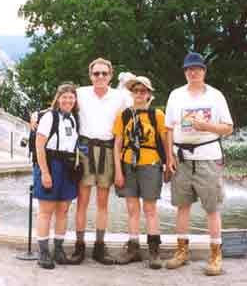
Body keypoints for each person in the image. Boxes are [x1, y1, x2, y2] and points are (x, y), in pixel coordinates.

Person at [163, 51, 233, 276]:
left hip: (207, 157)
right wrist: (169, 157)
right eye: (189, 69)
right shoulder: (176, 95)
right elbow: (168, 129)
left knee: (212, 208)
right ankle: (181, 251)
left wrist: (207, 127)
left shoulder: (215, 96)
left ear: (204, 71)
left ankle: (215, 255)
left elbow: (228, 127)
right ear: (185, 72)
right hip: (181, 158)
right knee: (182, 206)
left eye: (197, 69)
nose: (193, 72)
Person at [71, 57, 127, 264]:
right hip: (85, 149)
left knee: (103, 202)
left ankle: (99, 247)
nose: (100, 77)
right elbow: (61, 105)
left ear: (111, 76)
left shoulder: (120, 97)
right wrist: (36, 116)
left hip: (108, 149)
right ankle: (79, 246)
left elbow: (139, 108)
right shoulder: (80, 93)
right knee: (82, 202)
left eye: (104, 73)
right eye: (97, 73)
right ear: (90, 75)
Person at [112, 76, 168, 269]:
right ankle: (133, 248)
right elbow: (117, 144)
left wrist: (169, 162)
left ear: (149, 94)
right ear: (131, 93)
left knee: (150, 209)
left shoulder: (157, 115)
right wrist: (118, 171)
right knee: (132, 209)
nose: (139, 94)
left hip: (150, 163)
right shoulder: (124, 115)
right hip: (128, 165)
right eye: (136, 91)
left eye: (143, 91)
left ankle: (154, 251)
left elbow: (165, 139)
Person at [33, 83, 80, 269]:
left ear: (75, 100)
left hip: (68, 165)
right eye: (64, 97)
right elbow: (39, 146)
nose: (68, 100)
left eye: (71, 97)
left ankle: (58, 250)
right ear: (58, 99)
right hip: (51, 164)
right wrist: (45, 172)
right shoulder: (49, 117)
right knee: (46, 211)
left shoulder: (74, 118)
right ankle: (43, 252)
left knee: (63, 210)